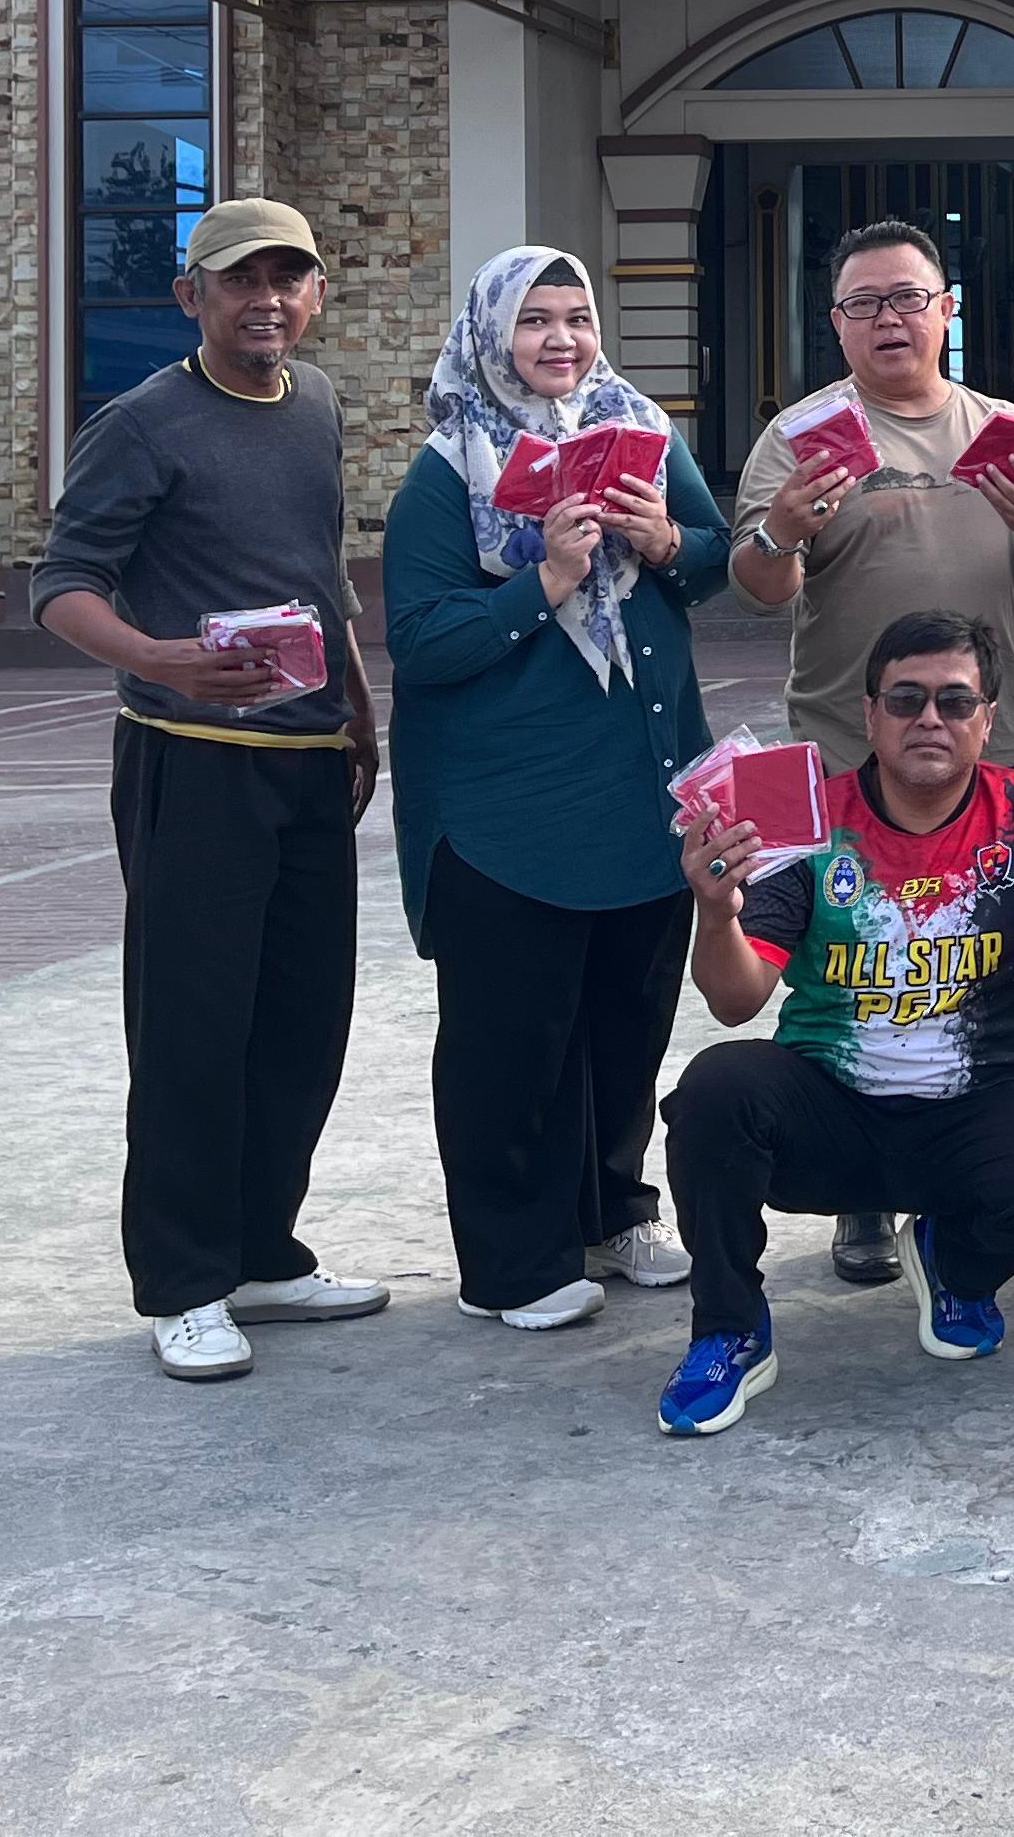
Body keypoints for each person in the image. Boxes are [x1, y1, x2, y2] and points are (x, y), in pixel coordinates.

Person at [29, 197, 388, 1384]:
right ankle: (183, 1282)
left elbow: (317, 564)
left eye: (290, 277)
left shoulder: (320, 405)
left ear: (317, 293)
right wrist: (164, 657)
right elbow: (64, 582)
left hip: (305, 766)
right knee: (192, 1029)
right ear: (193, 296)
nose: (267, 300)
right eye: (242, 280)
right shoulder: (142, 424)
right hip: (191, 764)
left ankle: (262, 1252)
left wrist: (357, 702)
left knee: (300, 1025)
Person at [652, 612, 1014, 1435]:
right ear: (868, 715)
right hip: (830, 1113)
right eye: (905, 700)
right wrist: (716, 911)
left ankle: (954, 1262)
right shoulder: (809, 820)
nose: (929, 720)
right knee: (716, 1088)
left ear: (988, 717)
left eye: (953, 700)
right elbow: (736, 1000)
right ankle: (729, 1330)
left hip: (972, 1113)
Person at [728, 218, 1014, 1285]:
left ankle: (987, 1175)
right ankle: (862, 1195)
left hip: (1000, 752)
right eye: (864, 303)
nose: (889, 318)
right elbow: (760, 589)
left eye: (908, 297)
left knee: (1005, 973)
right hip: (845, 761)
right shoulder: (800, 436)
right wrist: (786, 528)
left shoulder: (1006, 430)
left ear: (948, 311)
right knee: (854, 972)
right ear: (835, 322)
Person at [384, 247, 729, 1332]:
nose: (561, 340)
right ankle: (514, 1263)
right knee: (511, 1040)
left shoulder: (638, 430)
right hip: (505, 811)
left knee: (626, 1019)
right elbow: (422, 638)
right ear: (491, 333)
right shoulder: (451, 468)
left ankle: (613, 1212)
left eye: (577, 317)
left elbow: (713, 562)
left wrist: (663, 539)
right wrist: (546, 580)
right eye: (535, 320)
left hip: (642, 789)